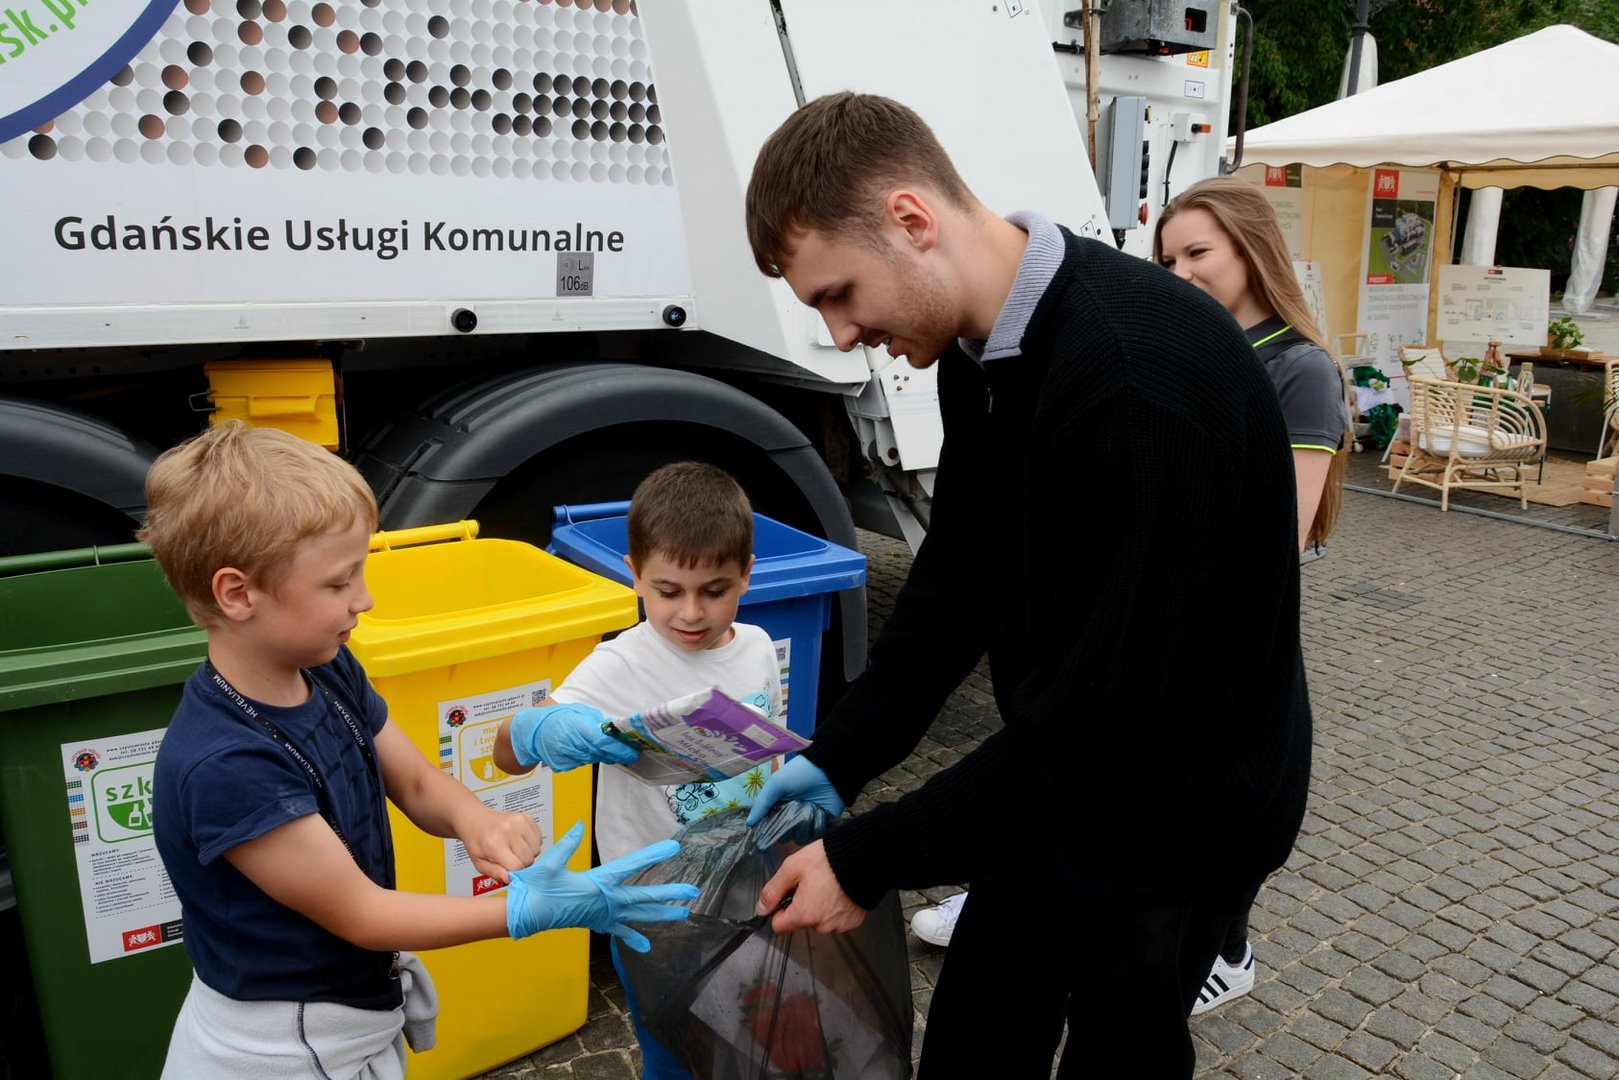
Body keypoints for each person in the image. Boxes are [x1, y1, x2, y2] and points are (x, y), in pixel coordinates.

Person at [740, 92, 1312, 1077]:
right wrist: (839, 755)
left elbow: (1104, 714)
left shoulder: (1133, 377)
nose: (838, 334)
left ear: (910, 221)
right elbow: (955, 579)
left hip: (1184, 803)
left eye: (837, 294)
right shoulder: (976, 352)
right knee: (974, 1034)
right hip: (1062, 775)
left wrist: (863, 859)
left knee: (1117, 1046)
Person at [144, 422, 696, 1080]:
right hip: (285, 1046)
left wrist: (478, 821)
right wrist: (524, 912)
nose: (365, 599)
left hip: (346, 1014)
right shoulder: (226, 764)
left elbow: (413, 782)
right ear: (237, 594)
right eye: (338, 583)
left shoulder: (324, 668)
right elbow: (362, 912)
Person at [494, 460, 782, 1080]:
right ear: (634, 576)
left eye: (716, 589)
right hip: (652, 902)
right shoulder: (618, 663)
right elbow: (505, 753)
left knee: (746, 1036)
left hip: (743, 887)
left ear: (748, 575)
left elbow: (771, 752)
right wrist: (534, 729)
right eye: (668, 591)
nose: (691, 613)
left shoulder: (758, 648)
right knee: (671, 1042)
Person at [1154, 174, 1352, 1013]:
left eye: (1199, 251)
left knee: (1239, 796)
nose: (1181, 271)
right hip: (1161, 610)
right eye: (1167, 258)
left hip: (1235, 626)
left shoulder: (1301, 369)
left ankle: (1224, 948)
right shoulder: (1177, 345)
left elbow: (1281, 529)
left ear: (1249, 249)